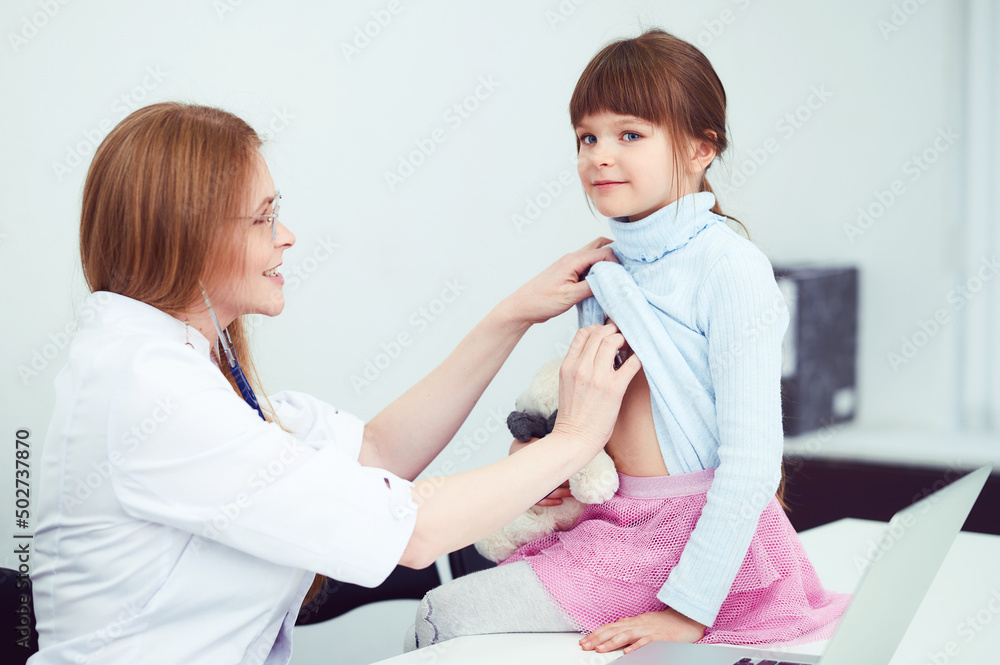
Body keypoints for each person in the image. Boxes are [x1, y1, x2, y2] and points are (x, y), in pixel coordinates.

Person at [27, 102, 643, 664]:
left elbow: (374, 452)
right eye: (264, 219)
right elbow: (415, 530)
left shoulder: (172, 368)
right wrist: (575, 438)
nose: (287, 237)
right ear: (189, 234)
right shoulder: (152, 392)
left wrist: (511, 316)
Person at [405, 28, 851, 655]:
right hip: (615, 523)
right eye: (586, 137)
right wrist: (557, 466)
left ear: (701, 148)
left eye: (630, 134)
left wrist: (687, 611)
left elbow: (752, 464)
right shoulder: (606, 271)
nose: (598, 156)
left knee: (440, 616)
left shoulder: (729, 267)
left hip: (676, 536)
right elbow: (606, 422)